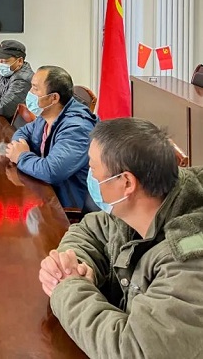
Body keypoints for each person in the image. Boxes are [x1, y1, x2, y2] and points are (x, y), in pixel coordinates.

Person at [39, 118, 203, 358]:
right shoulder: (146, 202)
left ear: (126, 182)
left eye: (93, 169)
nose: (90, 177)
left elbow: (134, 350)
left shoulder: (190, 260)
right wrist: (76, 264)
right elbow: (91, 229)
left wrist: (68, 286)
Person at [6, 66, 98, 210]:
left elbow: (51, 171)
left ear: (54, 98)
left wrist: (21, 156)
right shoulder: (47, 114)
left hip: (65, 208)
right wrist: (21, 146)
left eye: (35, 89)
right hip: (43, 191)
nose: (29, 93)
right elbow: (23, 131)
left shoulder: (77, 128)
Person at [0, 39, 34, 119]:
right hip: (3, 120)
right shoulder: (4, 73)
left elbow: (4, 108)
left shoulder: (23, 79)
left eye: (5, 61)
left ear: (20, 61)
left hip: (15, 124)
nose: (0, 64)